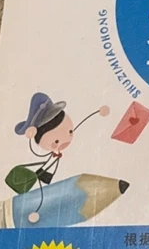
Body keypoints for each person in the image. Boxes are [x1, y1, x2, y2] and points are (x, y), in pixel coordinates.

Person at [6, 93, 110, 223]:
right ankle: (36, 209)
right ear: (33, 134)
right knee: (40, 191)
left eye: (70, 132)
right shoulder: (39, 155)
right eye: (56, 141)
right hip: (32, 186)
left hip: (47, 177)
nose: (65, 142)